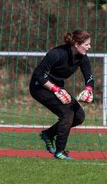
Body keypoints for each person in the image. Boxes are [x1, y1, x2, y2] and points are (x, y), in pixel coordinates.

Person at [29, 29, 94, 160]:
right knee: (67, 113)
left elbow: (89, 76)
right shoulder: (56, 53)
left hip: (57, 88)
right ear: (76, 44)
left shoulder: (82, 57)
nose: (89, 47)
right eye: (86, 44)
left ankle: (48, 134)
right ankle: (60, 152)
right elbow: (38, 75)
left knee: (79, 116)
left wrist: (89, 89)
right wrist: (55, 90)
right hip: (39, 87)